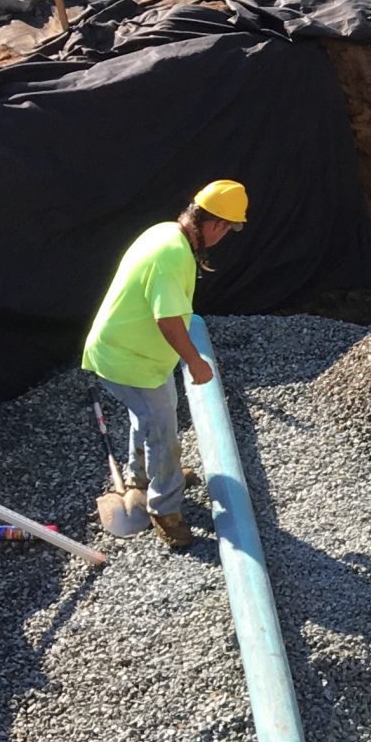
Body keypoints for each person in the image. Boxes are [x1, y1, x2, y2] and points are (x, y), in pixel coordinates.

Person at [81, 181, 247, 551]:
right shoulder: (173, 254)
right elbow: (168, 321)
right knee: (163, 434)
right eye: (228, 229)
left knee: (151, 417)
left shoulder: (165, 232)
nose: (225, 237)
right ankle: (165, 510)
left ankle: (141, 478)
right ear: (217, 225)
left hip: (130, 354)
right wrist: (195, 362)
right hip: (129, 360)